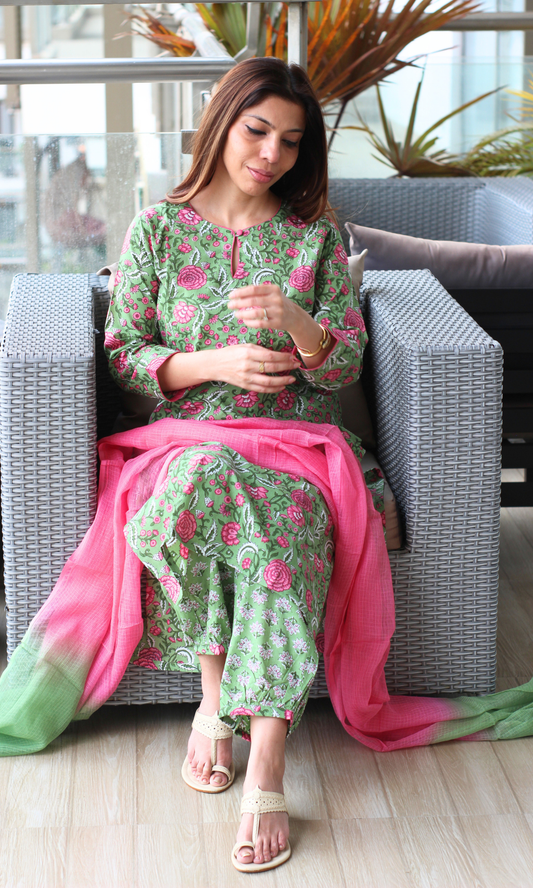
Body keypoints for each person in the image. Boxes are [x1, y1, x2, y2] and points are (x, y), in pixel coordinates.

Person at [104, 56, 380, 873]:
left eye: (291, 141)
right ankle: (216, 695)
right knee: (199, 482)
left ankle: (262, 759)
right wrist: (213, 364)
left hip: (297, 448)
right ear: (221, 123)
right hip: (184, 443)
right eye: (257, 130)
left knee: (279, 530)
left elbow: (343, 365)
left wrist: (297, 319)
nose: (271, 154)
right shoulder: (157, 228)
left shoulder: (313, 236)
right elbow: (123, 352)